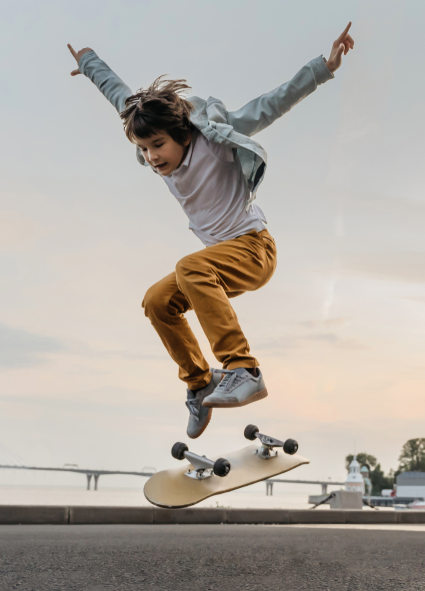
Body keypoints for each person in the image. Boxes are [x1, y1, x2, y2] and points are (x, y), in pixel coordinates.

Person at [67, 24, 355, 439]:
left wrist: (323, 67)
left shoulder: (213, 142)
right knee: (157, 301)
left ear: (181, 135)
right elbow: (120, 96)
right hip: (214, 268)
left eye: (159, 147)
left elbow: (268, 106)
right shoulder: (152, 145)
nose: (152, 158)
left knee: (191, 267)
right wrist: (89, 62)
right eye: (145, 150)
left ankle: (243, 369)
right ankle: (200, 383)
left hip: (253, 250)